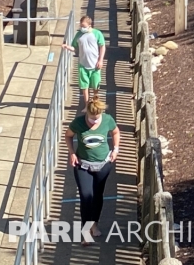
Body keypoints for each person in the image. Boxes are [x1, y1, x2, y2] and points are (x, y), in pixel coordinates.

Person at [65, 96, 120, 243]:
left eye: (97, 118)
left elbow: (115, 132)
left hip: (103, 165)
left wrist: (115, 150)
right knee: (86, 196)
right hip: (83, 165)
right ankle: (85, 232)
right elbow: (68, 135)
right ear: (86, 113)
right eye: (91, 118)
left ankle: (94, 224)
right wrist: (71, 153)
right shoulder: (78, 123)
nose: (94, 121)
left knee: (97, 195)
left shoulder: (108, 120)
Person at [62, 15, 105, 108]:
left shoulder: (97, 33)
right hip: (83, 65)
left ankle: (95, 104)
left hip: (95, 65)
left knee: (95, 86)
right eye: (81, 26)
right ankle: (86, 106)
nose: (82, 28)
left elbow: (102, 46)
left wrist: (100, 60)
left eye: (84, 26)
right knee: (84, 87)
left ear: (90, 25)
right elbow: (75, 47)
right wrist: (67, 47)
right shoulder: (78, 35)